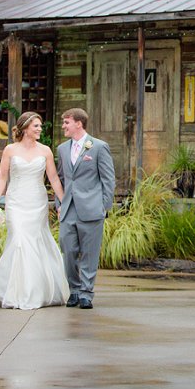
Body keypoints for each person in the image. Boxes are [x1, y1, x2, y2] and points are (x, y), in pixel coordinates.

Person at [0, 112, 69, 310]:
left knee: (36, 242)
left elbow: (53, 179)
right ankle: (16, 292)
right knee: (19, 241)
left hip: (37, 202)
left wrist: (64, 202)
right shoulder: (10, 150)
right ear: (25, 128)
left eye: (40, 126)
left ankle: (35, 291)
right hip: (16, 202)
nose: (39, 129)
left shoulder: (45, 151)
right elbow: (2, 178)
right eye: (36, 126)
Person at [56, 108, 115, 309]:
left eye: (66, 122)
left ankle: (86, 293)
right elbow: (61, 179)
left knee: (90, 253)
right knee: (69, 250)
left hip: (92, 208)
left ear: (78, 124)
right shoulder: (62, 149)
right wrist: (59, 204)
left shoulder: (99, 147)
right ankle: (73, 289)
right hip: (68, 208)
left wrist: (104, 206)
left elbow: (108, 179)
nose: (63, 126)